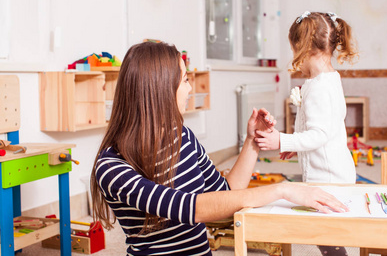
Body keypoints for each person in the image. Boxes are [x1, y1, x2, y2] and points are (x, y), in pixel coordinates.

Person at [90, 41, 348, 256]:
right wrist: (283, 189)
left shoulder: (182, 137)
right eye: (184, 80)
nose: (191, 88)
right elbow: (192, 208)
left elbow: (227, 191)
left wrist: (252, 142)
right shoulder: (112, 166)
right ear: (158, 90)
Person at [254, 11, 359, 256]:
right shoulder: (325, 80)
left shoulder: (321, 87)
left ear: (304, 48)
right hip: (328, 171)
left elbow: (320, 133)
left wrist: (281, 139)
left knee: (324, 233)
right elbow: (318, 126)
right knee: (323, 232)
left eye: (294, 50)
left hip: (329, 177)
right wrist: (297, 143)